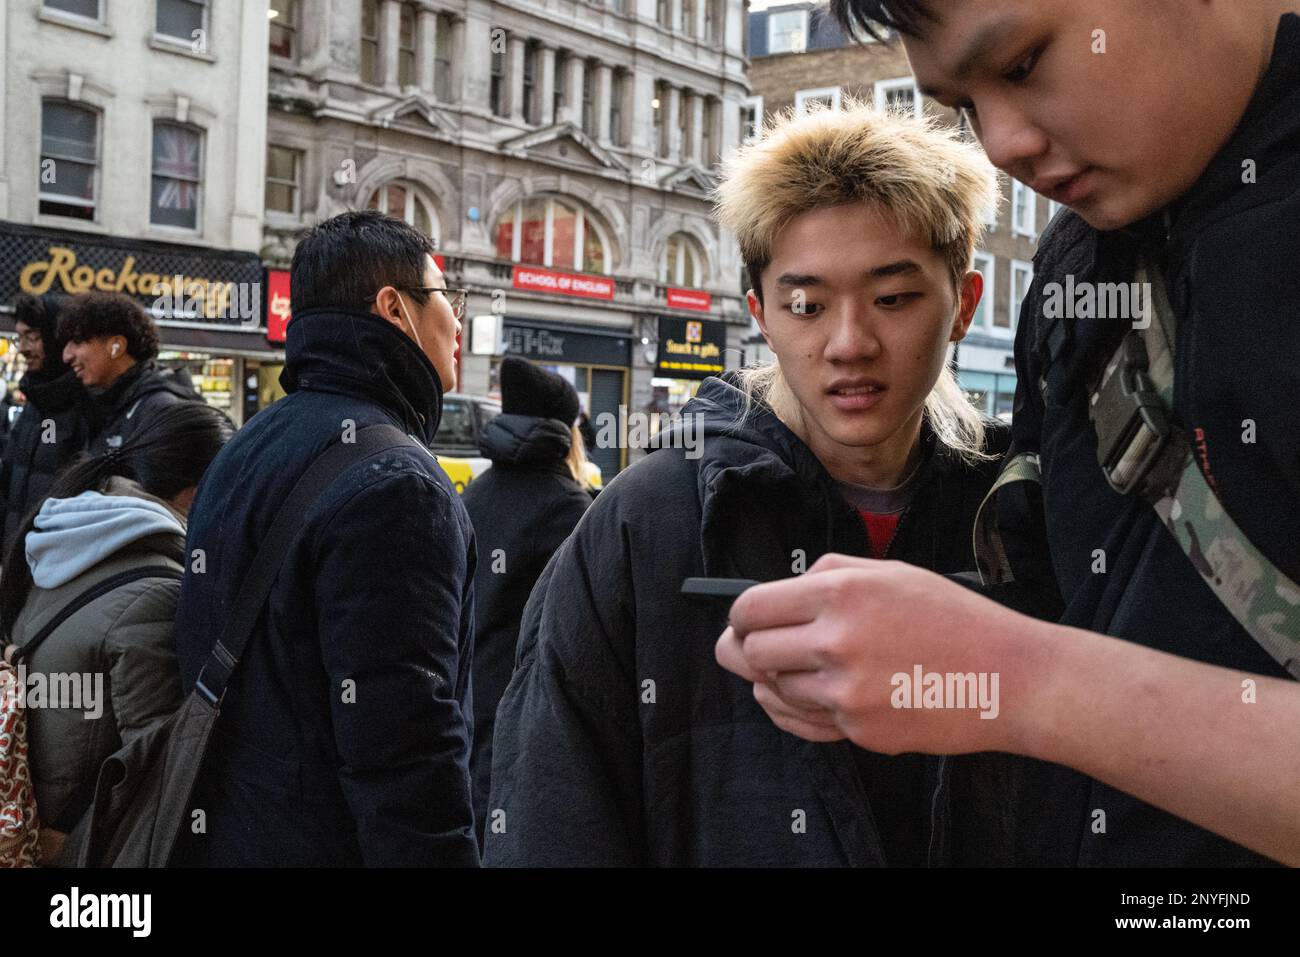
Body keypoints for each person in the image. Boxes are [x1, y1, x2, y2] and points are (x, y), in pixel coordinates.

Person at [716, 0, 1300, 867]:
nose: (1000, 143)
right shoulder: (1078, 265)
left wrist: (1017, 681)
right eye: (963, 106)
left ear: (959, 309)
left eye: (1024, 64)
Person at [485, 103, 1011, 866]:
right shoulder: (646, 520)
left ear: (963, 304)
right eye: (807, 304)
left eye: (893, 298)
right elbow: (551, 811)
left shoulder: (1020, 512)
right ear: (762, 314)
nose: (849, 343)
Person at [171, 209, 479, 867]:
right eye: (446, 298)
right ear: (394, 308)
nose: (458, 321)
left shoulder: (250, 442)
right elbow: (405, 753)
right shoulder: (397, 483)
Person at [0, 402, 233, 865]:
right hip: (72, 843)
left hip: (32, 816)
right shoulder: (157, 592)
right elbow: (153, 772)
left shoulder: (68, 536)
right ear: (197, 491)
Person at [461, 356, 591, 848]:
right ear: (566, 432)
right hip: (525, 713)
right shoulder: (569, 507)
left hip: (466, 699)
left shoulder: (475, 492)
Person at [0, 295, 90, 555]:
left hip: (54, 565)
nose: (23, 348)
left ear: (56, 338)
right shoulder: (34, 403)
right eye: (20, 337)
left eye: (33, 337)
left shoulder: (87, 405)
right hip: (15, 560)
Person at [57, 292, 201, 453]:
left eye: (77, 341)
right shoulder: (108, 403)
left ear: (117, 346)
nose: (66, 356)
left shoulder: (160, 410)